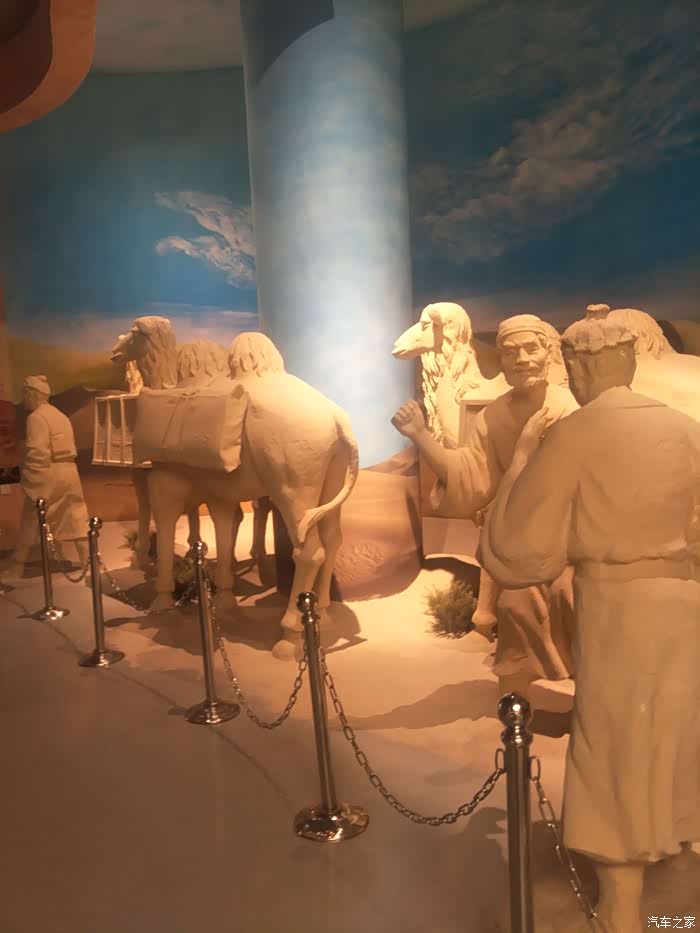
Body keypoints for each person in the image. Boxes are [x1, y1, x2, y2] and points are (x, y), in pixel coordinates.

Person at [479, 315, 700, 933]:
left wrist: (521, 461)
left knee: (614, 740)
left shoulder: (575, 435)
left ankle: (624, 901)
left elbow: (521, 554)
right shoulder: (686, 429)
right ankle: (678, 870)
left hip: (616, 606)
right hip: (685, 604)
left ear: (577, 368)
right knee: (677, 727)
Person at [392, 314, 578, 700]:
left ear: (548, 352)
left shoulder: (570, 409)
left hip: (570, 543)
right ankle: (519, 704)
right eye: (510, 352)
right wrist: (421, 436)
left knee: (579, 617)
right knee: (516, 610)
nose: (522, 360)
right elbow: (469, 474)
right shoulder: (494, 416)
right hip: (521, 544)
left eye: (531, 349)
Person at [0, 376, 89, 581]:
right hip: (70, 473)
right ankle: (88, 561)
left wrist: (28, 476)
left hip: (48, 474)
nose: (24, 399)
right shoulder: (60, 416)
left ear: (33, 394)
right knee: (76, 516)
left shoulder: (36, 418)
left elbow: (37, 454)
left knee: (30, 520)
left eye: (25, 394)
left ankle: (16, 568)